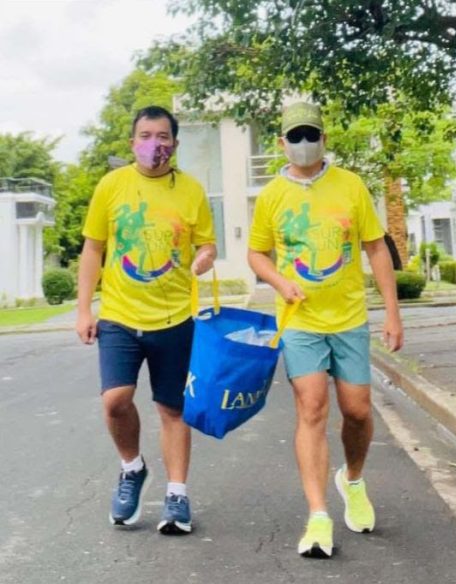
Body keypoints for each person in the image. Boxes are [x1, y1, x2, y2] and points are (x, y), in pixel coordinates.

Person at [247, 102, 404, 559]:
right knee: (311, 408)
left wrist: (392, 313)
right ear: (281, 143)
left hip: (350, 318)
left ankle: (351, 479)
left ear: (323, 139)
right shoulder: (273, 195)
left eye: (309, 135)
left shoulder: (350, 186)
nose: (302, 144)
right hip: (300, 322)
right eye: (294, 136)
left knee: (357, 410)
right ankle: (318, 516)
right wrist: (280, 281)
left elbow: (375, 248)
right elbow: (257, 254)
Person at [76, 105, 217, 535]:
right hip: (120, 313)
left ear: (174, 143)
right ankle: (132, 467)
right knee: (115, 400)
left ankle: (176, 495)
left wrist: (204, 257)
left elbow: (206, 244)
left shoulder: (191, 191)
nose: (153, 144)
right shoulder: (112, 186)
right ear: (132, 141)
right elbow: (94, 248)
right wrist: (84, 308)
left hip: (174, 316)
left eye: (162, 136)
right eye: (144, 135)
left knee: (172, 408)